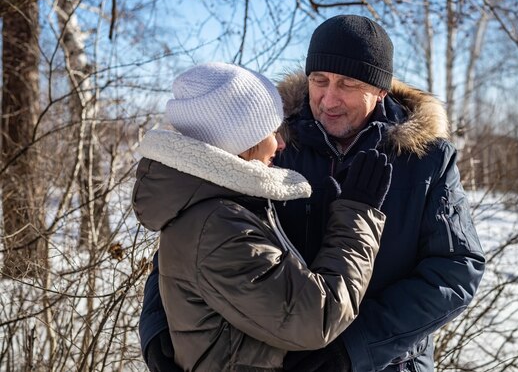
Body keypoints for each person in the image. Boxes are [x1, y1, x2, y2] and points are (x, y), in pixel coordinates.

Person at [140, 15, 486, 372]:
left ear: (380, 90)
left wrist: (355, 349)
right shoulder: (270, 143)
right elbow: (190, 232)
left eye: (348, 84)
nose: (329, 99)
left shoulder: (425, 158)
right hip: (281, 358)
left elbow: (457, 269)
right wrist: (156, 328)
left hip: (385, 363)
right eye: (319, 81)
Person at [132, 62, 393, 371]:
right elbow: (316, 318)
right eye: (272, 130)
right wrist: (356, 216)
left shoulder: (207, 205)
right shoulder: (219, 225)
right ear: (240, 143)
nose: (280, 144)